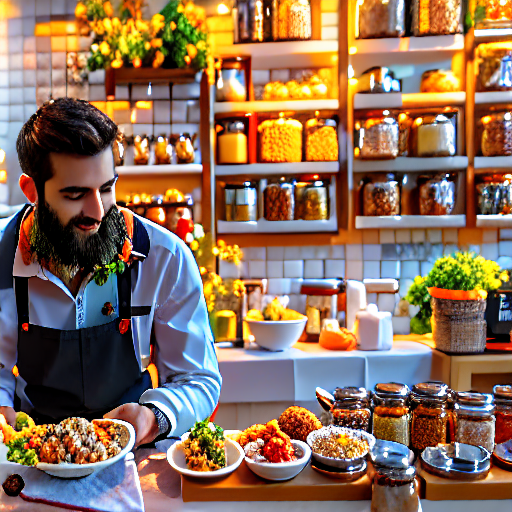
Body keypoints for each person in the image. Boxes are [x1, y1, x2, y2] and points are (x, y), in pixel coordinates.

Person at [0, 97, 221, 447]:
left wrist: (155, 417)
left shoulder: (163, 257)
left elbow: (198, 379)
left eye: (106, 188)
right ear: (32, 192)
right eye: (75, 194)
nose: (98, 211)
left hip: (137, 452)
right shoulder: (2, 257)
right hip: (34, 451)